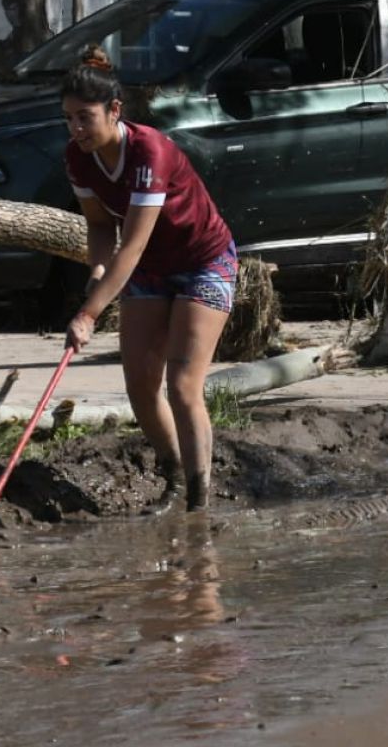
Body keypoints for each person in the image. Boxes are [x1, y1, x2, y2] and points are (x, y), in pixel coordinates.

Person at [61, 47, 238, 514]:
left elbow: (134, 244)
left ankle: (200, 503)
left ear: (114, 110)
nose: (76, 129)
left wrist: (88, 313)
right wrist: (96, 270)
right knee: (141, 386)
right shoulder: (78, 158)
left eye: (85, 117)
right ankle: (174, 479)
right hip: (150, 271)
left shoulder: (149, 151)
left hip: (204, 262)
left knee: (182, 387)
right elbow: (101, 225)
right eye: (69, 119)